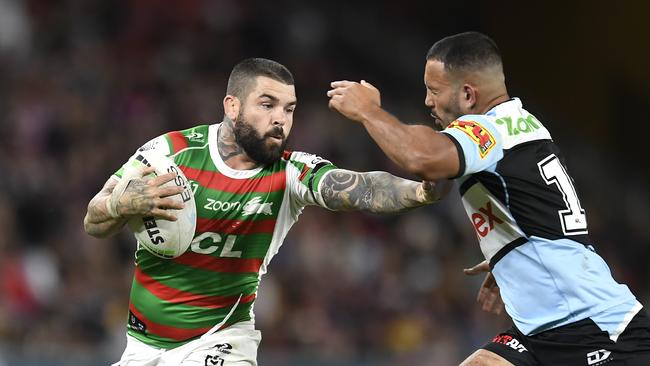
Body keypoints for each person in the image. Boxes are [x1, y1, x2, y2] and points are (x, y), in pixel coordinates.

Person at [83, 58, 449, 366]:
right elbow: (93, 220)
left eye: (289, 109)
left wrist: (420, 191)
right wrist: (119, 204)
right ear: (232, 106)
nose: (280, 119)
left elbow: (361, 189)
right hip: (141, 346)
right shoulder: (169, 153)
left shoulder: (290, 172)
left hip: (220, 341)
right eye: (267, 104)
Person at [327, 32, 650, 365]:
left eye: (434, 91)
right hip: (541, 329)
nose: (427, 101)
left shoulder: (491, 131)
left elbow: (422, 158)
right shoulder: (519, 125)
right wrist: (509, 253)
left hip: (595, 328)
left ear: (468, 95)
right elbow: (538, 213)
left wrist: (369, 111)